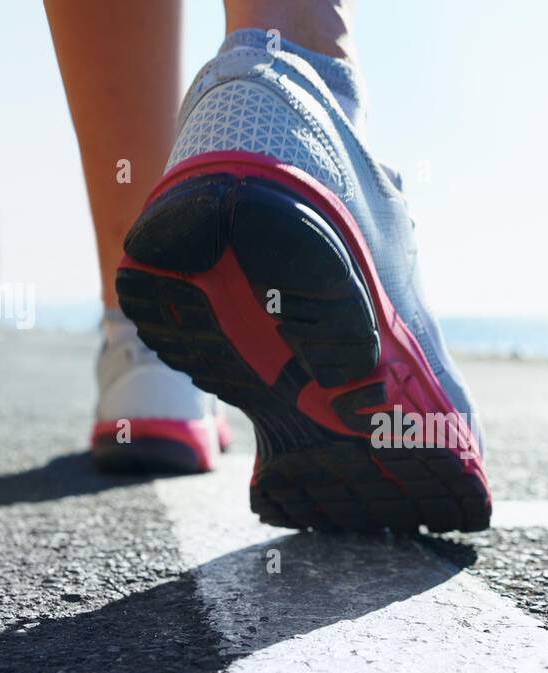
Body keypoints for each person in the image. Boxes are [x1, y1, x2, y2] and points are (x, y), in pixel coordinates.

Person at [44, 0, 490, 533]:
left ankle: (138, 357)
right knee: (289, 41)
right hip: (289, 127)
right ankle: (303, 72)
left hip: (208, 136)